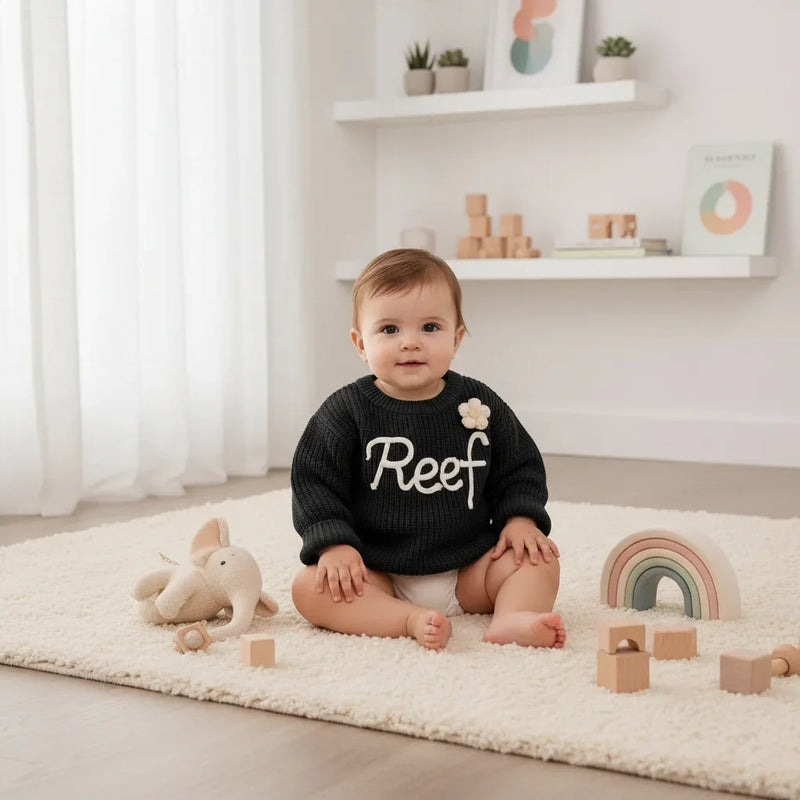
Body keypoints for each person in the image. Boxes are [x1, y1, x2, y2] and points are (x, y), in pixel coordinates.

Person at [290, 248, 566, 651]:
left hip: (470, 567)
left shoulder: (479, 403)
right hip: (377, 570)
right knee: (308, 588)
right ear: (360, 343)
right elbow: (315, 483)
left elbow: (519, 466)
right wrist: (333, 545)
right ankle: (406, 619)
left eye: (430, 327)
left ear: (456, 339)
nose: (410, 343)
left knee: (539, 560)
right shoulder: (345, 412)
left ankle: (512, 618)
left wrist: (521, 520)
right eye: (389, 330)